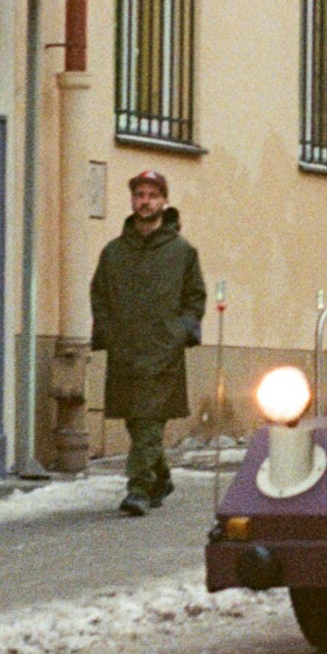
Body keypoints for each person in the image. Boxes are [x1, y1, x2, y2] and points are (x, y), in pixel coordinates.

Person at [88, 169, 205, 516]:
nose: (145, 201)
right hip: (125, 349)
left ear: (164, 201)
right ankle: (161, 478)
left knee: (150, 419)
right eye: (140, 194)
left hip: (163, 351)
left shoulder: (182, 252)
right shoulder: (114, 252)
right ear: (132, 200)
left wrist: (180, 331)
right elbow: (100, 296)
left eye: (153, 195)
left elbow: (194, 298)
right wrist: (108, 333)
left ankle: (138, 488)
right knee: (136, 421)